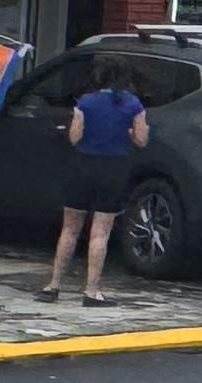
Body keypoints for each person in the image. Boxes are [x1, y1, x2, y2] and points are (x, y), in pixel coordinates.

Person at [45, 71, 149, 305]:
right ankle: (91, 291)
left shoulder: (85, 102)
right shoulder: (133, 104)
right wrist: (131, 133)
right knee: (100, 231)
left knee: (69, 229)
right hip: (114, 168)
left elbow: (74, 137)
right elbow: (142, 140)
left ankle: (54, 285)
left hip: (83, 165)